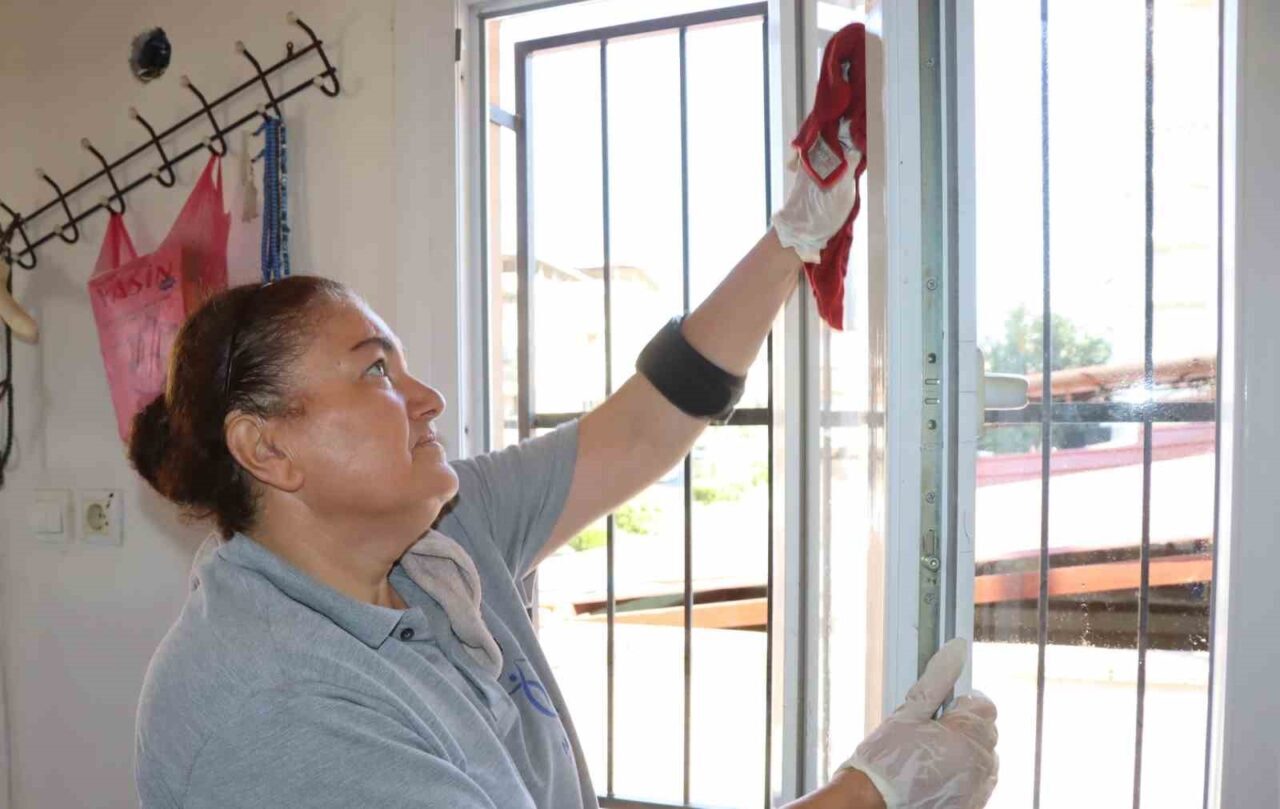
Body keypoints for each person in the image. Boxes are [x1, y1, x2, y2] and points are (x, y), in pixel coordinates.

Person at [130, 119, 997, 809]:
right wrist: (870, 795)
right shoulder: (274, 708)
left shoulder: (441, 538)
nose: (426, 397)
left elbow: (642, 428)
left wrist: (792, 238)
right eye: (376, 371)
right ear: (267, 447)